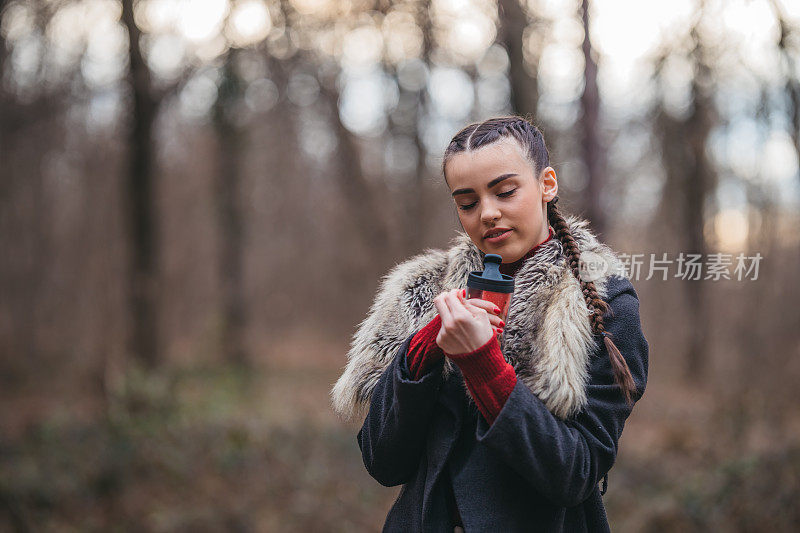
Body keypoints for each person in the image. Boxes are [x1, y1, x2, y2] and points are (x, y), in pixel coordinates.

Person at [330, 115, 649, 532]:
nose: (488, 213)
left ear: (546, 185)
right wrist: (425, 349)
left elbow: (576, 474)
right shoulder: (422, 292)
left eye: (505, 191)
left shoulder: (601, 303)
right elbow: (383, 462)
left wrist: (484, 366)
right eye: (467, 202)